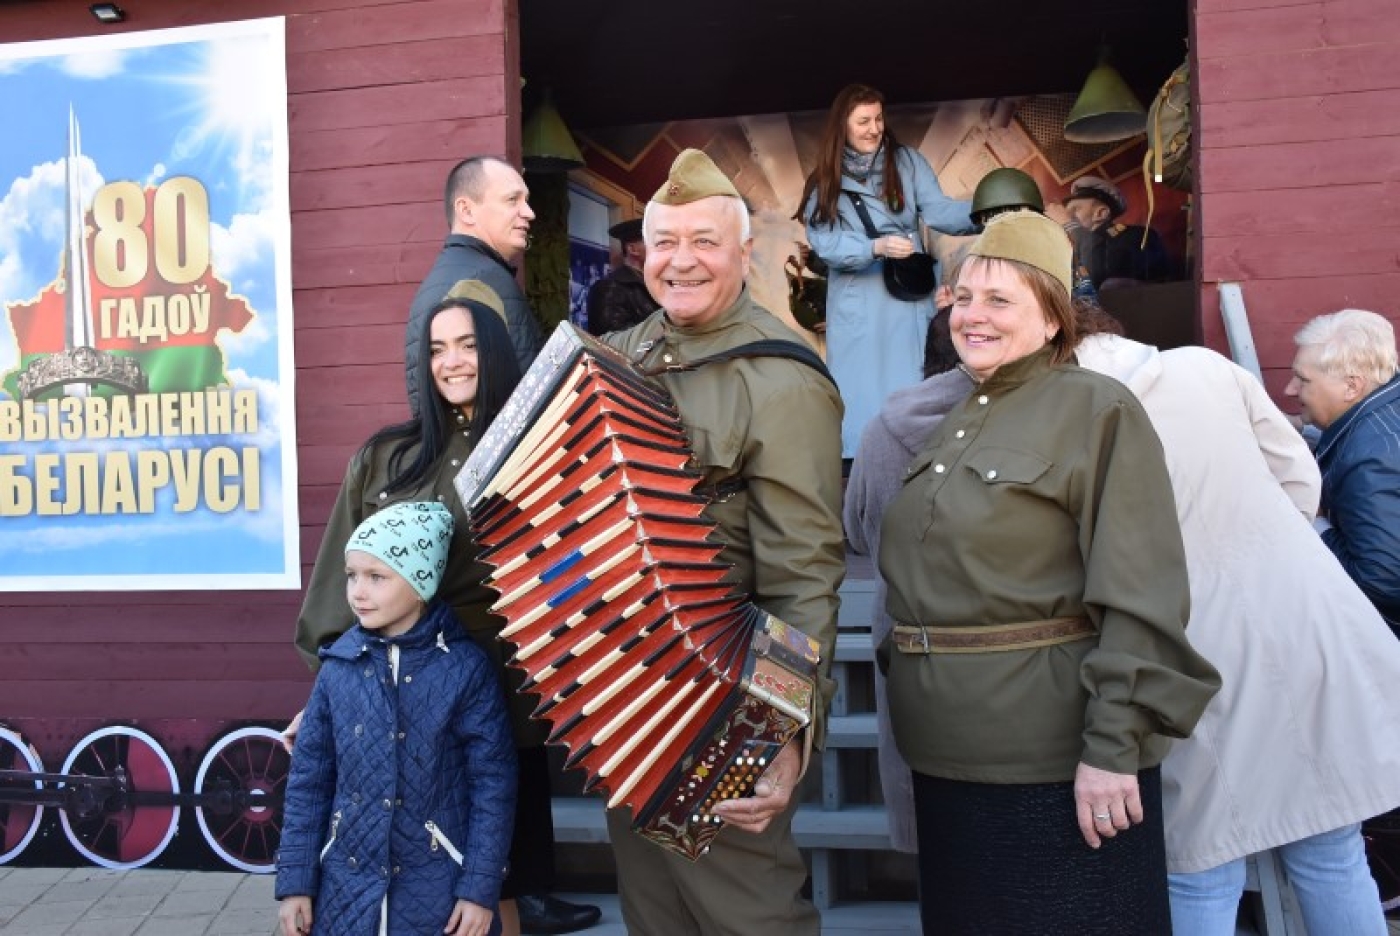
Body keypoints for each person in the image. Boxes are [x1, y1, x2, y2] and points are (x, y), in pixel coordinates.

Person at [876, 210, 1219, 933]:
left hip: (1055, 771)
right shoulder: (955, 419)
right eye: (964, 296)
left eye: (1000, 300)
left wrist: (1113, 749)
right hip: (943, 762)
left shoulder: (1098, 410)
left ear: (1055, 318)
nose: (974, 314)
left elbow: (1141, 595)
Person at [1075, 322, 1400, 935]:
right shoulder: (1208, 367)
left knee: (1202, 865)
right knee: (1333, 855)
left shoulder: (1070, 406)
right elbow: (1301, 480)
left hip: (1191, 641)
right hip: (1308, 616)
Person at [294, 293, 600, 936]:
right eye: (436, 349)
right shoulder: (387, 457)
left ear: (492, 352)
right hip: (387, 691)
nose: (451, 361)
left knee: (499, 879)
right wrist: (322, 686)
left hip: (505, 686)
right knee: (398, 868)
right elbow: (337, 582)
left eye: (465, 345)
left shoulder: (538, 449)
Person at [600, 148, 845, 934]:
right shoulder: (619, 355)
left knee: (750, 917)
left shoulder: (781, 378)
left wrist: (782, 731)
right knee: (655, 917)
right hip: (626, 701)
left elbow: (803, 577)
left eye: (704, 241)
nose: (681, 262)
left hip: (723, 706)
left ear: (744, 253)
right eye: (664, 241)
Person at [277, 501, 517, 936]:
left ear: (420, 580)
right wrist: (295, 882)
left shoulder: (465, 669)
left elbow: (493, 785)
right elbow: (308, 783)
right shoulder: (338, 668)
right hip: (344, 890)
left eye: (377, 577)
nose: (357, 592)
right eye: (352, 576)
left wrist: (479, 889)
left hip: (439, 892)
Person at [797, 82, 976, 458]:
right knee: (859, 392)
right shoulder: (825, 181)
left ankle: (921, 460)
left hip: (908, 299)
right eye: (863, 121)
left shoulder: (907, 163)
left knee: (912, 382)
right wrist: (873, 247)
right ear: (842, 126)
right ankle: (857, 468)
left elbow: (940, 211)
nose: (874, 128)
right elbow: (825, 244)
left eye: (878, 118)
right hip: (857, 304)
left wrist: (989, 209)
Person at [1286, 309, 1400, 631]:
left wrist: (1314, 517)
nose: (1290, 390)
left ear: (1351, 387)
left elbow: (1381, 582)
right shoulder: (1389, 397)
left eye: (1303, 380)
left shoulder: (1371, 462)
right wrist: (1302, 430)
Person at [406, 157, 544, 415]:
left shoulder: (438, 280)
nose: (529, 213)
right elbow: (530, 395)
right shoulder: (486, 280)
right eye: (512, 200)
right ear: (466, 210)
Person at [1044, 174, 1171, 297]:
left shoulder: (1136, 235)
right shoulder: (1073, 246)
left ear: (1101, 213)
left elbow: (1098, 275)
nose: (1068, 215)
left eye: (1075, 209)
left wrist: (1068, 225)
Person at [586, 218, 655, 335]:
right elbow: (612, 341)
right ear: (633, 249)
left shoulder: (656, 283)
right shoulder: (609, 288)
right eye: (653, 243)